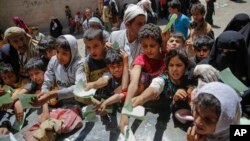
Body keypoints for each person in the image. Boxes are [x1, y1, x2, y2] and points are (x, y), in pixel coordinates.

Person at [31, 35, 85, 121]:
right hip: (62, 102)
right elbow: (47, 82)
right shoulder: (53, 60)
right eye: (57, 52)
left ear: (73, 52)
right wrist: (45, 107)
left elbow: (79, 87)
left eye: (64, 53)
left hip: (78, 102)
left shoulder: (79, 64)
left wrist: (52, 94)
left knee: (66, 123)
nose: (59, 56)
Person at [108, 4, 147, 68]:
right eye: (139, 24)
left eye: (144, 23)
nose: (143, 27)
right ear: (127, 25)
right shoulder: (114, 36)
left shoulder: (146, 41)